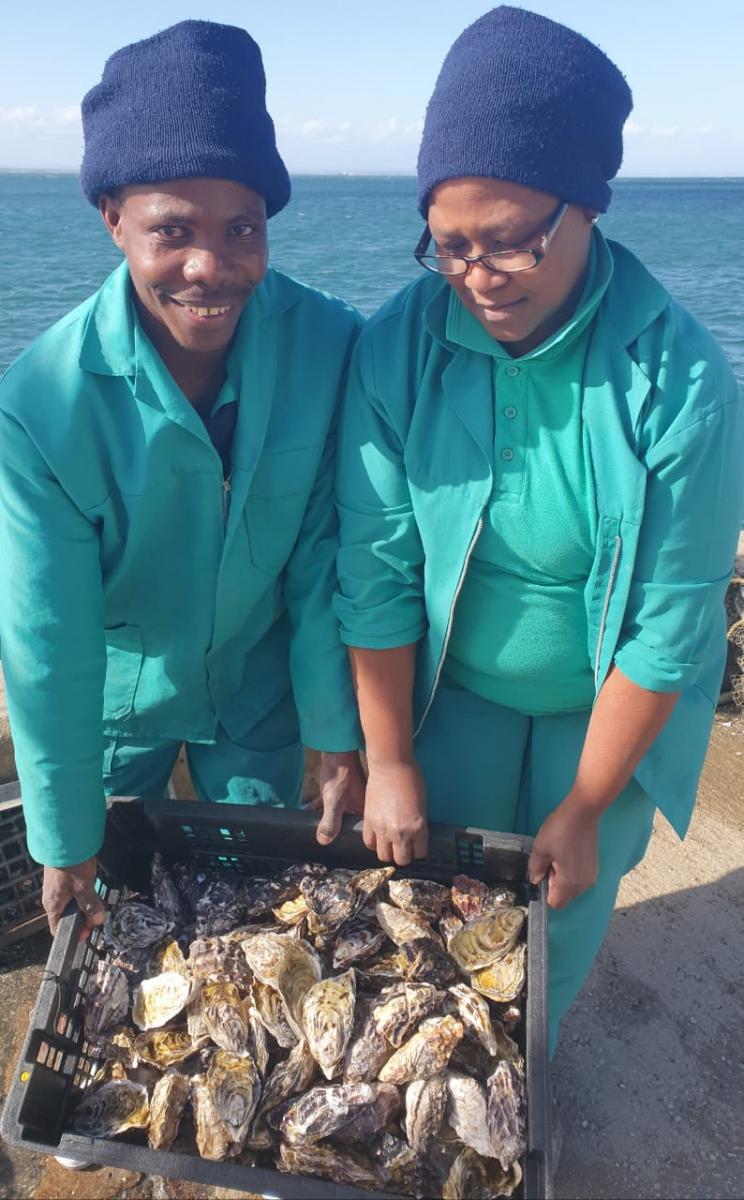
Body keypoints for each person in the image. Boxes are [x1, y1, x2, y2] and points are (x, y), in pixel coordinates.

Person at [335, 6, 744, 1052]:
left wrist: (586, 800)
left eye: (514, 242)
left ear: (589, 205)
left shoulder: (681, 377)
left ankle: (526, 1082)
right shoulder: (397, 347)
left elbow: (670, 621)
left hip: (599, 710)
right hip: (454, 689)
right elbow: (377, 567)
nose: (477, 276)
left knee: (554, 922)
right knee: (439, 915)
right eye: (451, 244)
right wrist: (388, 759)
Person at [0, 20, 365, 935]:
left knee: (252, 902)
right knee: (114, 905)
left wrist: (337, 731)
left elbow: (325, 555)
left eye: (241, 227)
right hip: (119, 700)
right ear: (111, 217)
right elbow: (48, 642)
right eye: (173, 229)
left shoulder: (329, 346)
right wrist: (62, 832)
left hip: (260, 685)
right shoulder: (42, 405)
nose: (210, 265)